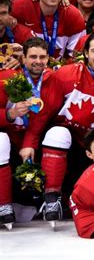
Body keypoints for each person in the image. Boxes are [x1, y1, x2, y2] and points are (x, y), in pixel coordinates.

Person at [19, 33, 94, 223]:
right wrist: (29, 142)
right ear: (86, 53)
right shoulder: (66, 74)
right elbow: (45, 111)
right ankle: (51, 198)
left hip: (90, 150)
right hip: (65, 142)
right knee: (57, 133)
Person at [0, 37, 52, 228]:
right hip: (11, 141)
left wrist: (29, 142)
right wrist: (10, 114)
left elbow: (46, 115)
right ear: (23, 58)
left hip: (35, 141)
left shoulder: (52, 80)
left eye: (42, 57)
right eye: (33, 57)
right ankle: (3, 204)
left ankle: (51, 200)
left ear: (48, 59)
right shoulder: (5, 78)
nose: (38, 61)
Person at [11, 0, 86, 60]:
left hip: (58, 69)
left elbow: (77, 57)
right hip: (25, 67)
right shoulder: (21, 4)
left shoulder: (73, 15)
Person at [0, 0, 34, 70]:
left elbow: (42, 59)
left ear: (9, 14)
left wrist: (24, 59)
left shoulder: (23, 33)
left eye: (3, 13)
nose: (0, 18)